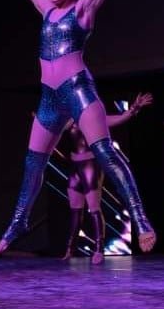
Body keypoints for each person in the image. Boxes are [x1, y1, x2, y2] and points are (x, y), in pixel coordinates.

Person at [0, 0, 158, 254]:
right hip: (49, 98)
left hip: (77, 90)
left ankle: (141, 218)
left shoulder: (83, 8)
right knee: (32, 161)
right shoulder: (46, 11)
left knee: (105, 153)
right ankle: (20, 219)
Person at [60, 92, 153, 264]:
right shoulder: (69, 119)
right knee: (75, 209)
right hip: (74, 167)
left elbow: (118, 119)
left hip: (90, 166)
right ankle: (69, 250)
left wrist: (135, 108)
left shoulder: (94, 120)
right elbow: (59, 127)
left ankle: (99, 249)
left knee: (93, 208)